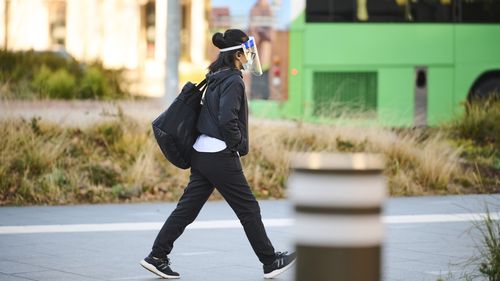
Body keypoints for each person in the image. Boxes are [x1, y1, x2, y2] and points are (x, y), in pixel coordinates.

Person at [140, 29, 296, 279]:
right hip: (219, 154)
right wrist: (236, 144)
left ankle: (157, 256)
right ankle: (270, 262)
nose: (249, 57)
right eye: (247, 51)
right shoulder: (234, 80)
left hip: (201, 153)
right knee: (249, 209)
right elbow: (227, 119)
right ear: (237, 54)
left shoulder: (215, 76)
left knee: (187, 209)